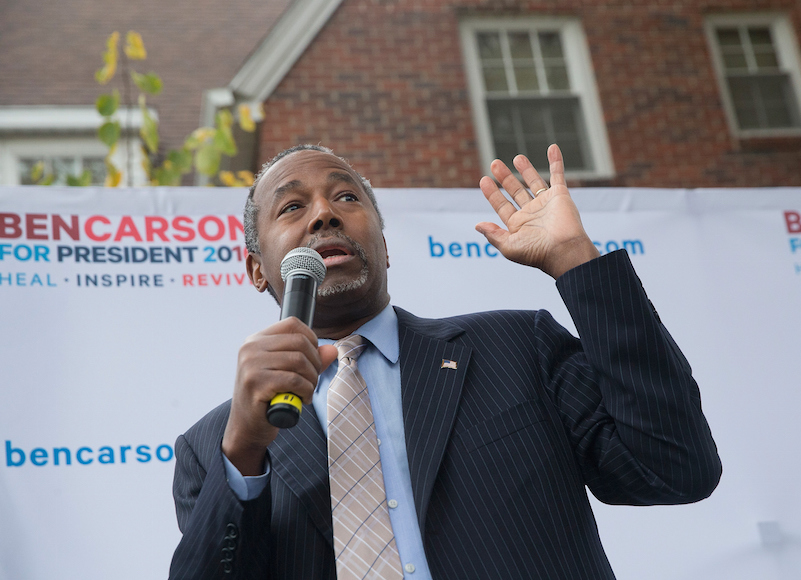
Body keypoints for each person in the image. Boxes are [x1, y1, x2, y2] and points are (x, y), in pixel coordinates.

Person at [169, 143, 721, 579]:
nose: (324, 216)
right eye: (292, 206)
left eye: (346, 198)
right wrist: (243, 453)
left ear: (385, 248)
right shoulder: (215, 446)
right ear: (258, 270)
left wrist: (578, 263)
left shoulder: (516, 347)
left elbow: (674, 468)